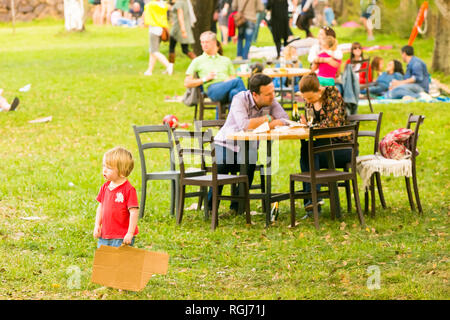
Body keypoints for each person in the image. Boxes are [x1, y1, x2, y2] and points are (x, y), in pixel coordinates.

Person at [207, 73, 289, 214]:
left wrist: (269, 122)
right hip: (226, 143)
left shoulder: (270, 100)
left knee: (250, 160)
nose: (272, 96)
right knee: (222, 166)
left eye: (273, 92)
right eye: (268, 93)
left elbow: (285, 119)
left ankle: (237, 208)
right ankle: (210, 208)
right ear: (255, 95)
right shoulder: (240, 99)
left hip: (247, 147)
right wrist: (269, 119)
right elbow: (245, 124)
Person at [298, 73, 350, 217]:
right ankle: (314, 201)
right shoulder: (309, 101)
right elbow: (311, 123)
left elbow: (333, 123)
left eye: (310, 98)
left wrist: (311, 127)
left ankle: (313, 200)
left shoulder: (332, 94)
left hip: (342, 147)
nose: (307, 101)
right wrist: (305, 124)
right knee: (306, 151)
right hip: (321, 149)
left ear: (319, 90)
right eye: (305, 99)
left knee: (309, 153)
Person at [184, 31, 246, 109]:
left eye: (207, 42)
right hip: (212, 89)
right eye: (202, 42)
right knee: (238, 81)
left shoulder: (226, 60)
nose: (204, 45)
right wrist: (205, 79)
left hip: (227, 87)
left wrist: (228, 80)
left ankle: (227, 119)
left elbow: (233, 77)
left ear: (214, 43)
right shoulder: (197, 61)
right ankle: (249, 109)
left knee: (234, 93)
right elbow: (187, 83)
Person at [93, 147, 139, 248]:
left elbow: (134, 212)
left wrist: (130, 233)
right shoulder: (105, 187)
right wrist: (97, 225)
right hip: (104, 235)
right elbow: (100, 207)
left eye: (109, 168)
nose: (104, 170)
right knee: (104, 261)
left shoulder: (129, 190)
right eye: (104, 166)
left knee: (120, 262)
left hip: (121, 237)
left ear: (122, 172)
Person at [143, 0, 174, 76]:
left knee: (154, 51)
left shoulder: (150, 5)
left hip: (154, 28)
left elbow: (145, 14)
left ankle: (168, 65)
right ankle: (149, 70)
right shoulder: (163, 4)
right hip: (161, 29)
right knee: (152, 51)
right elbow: (170, 8)